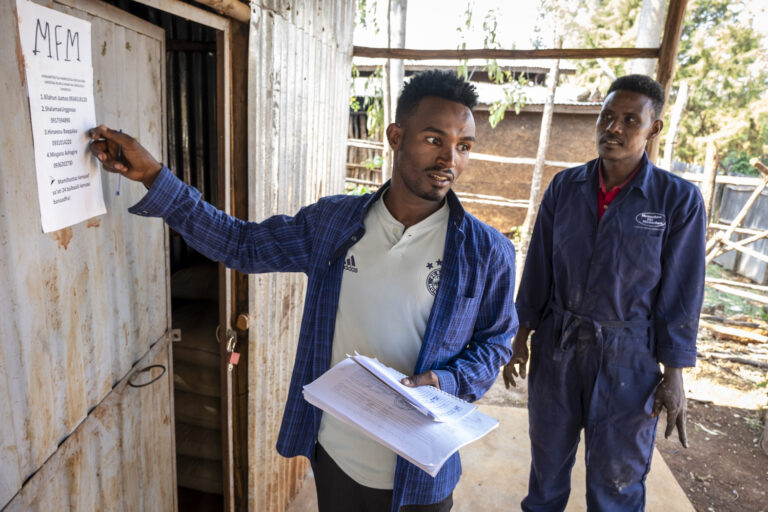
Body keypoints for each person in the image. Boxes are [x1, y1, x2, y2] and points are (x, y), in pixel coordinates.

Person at [89, 69, 518, 512]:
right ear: (395, 136)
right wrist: (156, 176)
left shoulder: (488, 253)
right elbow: (243, 244)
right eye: (434, 140)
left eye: (463, 146)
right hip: (336, 454)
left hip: (420, 473)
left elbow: (495, 343)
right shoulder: (333, 224)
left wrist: (444, 380)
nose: (450, 158)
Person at [503, 74, 705, 511]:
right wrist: (521, 335)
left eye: (631, 119)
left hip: (628, 358)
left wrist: (674, 374)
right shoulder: (565, 187)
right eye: (607, 115)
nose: (614, 127)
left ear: (655, 128)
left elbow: (682, 292)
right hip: (558, 346)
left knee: (617, 482)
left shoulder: (676, 200)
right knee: (546, 472)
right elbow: (538, 266)